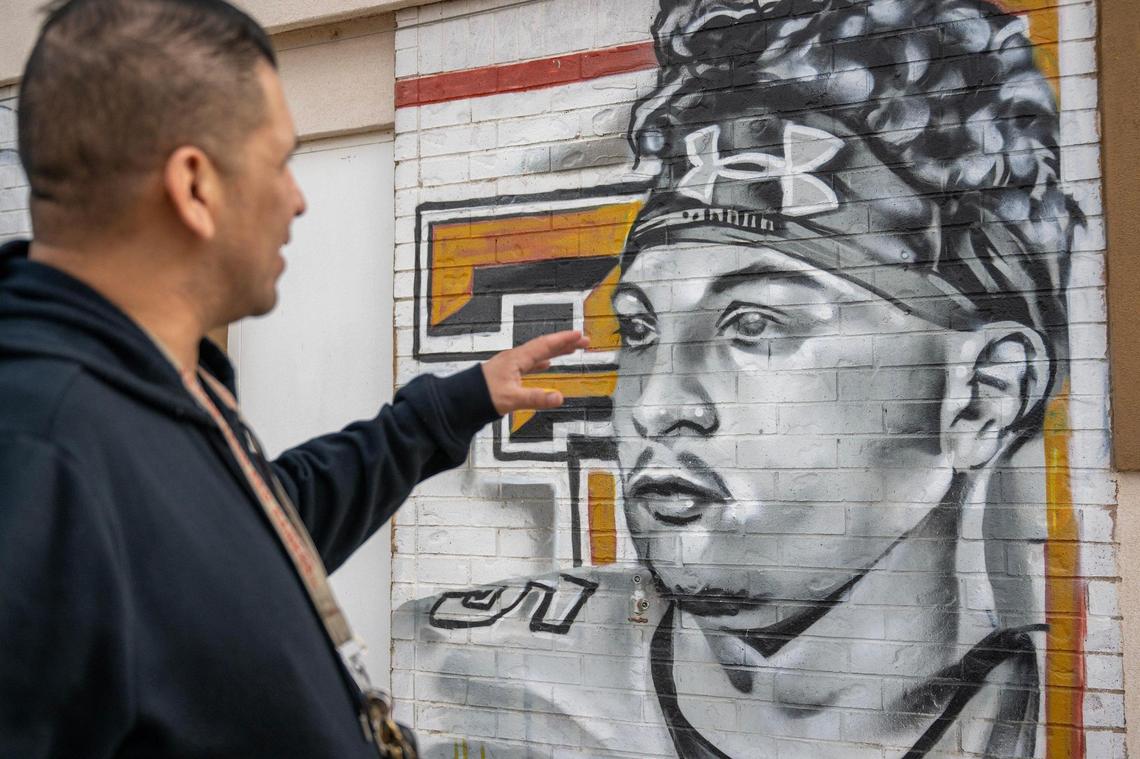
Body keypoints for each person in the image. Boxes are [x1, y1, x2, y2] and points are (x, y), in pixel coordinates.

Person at [404, 0, 1080, 757]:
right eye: (639, 328)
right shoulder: (463, 683)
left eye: (753, 324)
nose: (657, 406)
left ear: (982, 394)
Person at [0, 1, 588, 757]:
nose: (298, 196)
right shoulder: (38, 451)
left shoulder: (153, 386)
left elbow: (258, 538)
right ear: (196, 186)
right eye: (279, 160)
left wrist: (452, 405)